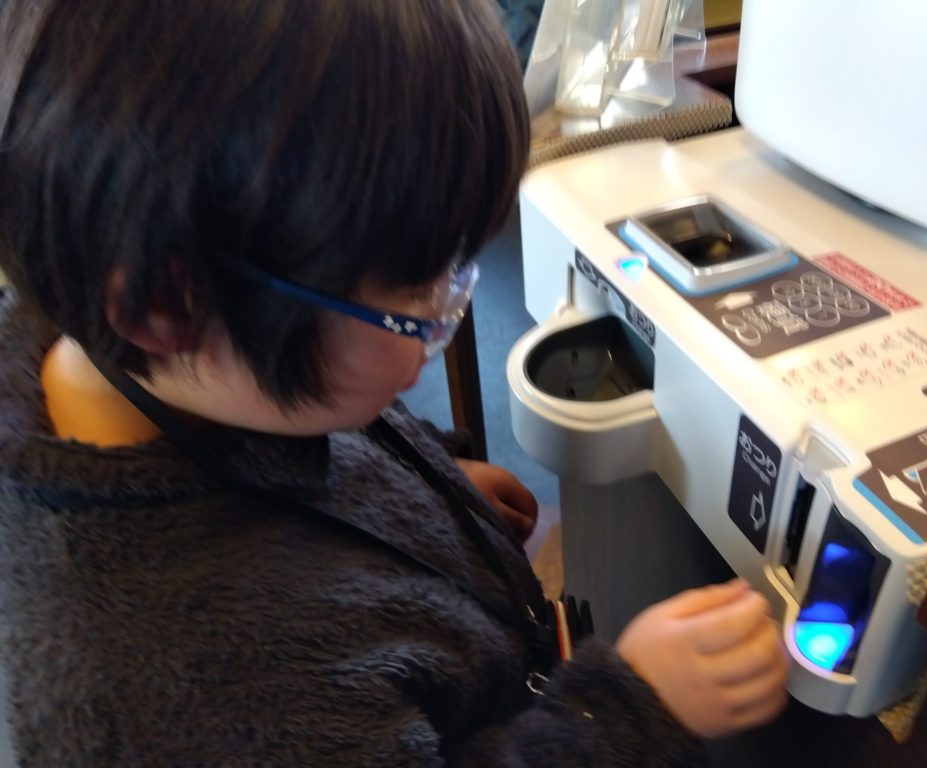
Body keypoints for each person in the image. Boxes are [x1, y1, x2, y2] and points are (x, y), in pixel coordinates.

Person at [0, 1, 788, 765]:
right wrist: (625, 714)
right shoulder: (163, 702)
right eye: (418, 291)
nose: (446, 308)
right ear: (167, 305)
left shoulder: (170, 371)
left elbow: (315, 445)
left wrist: (430, 492)